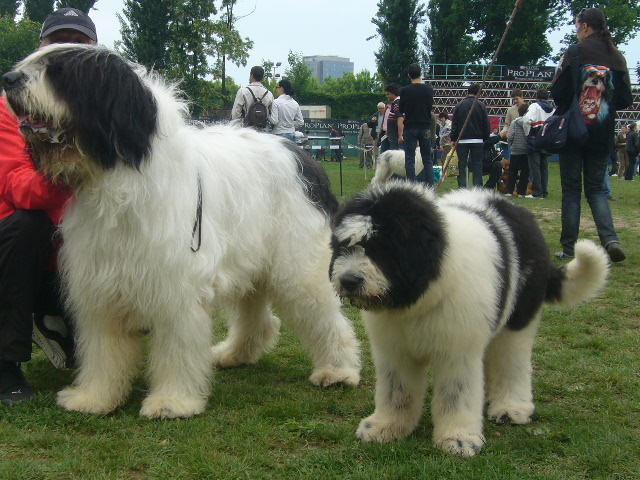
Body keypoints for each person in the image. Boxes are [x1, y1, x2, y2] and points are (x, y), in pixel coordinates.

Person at [0, 7, 98, 405]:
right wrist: (77, 171)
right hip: (31, 247)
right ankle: (7, 363)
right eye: (58, 42)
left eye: (78, 43)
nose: (66, 50)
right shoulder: (9, 108)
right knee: (27, 225)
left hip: (82, 251)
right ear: (40, 49)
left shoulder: (104, 108)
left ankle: (61, 324)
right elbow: (19, 186)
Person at [551, 7, 632, 262]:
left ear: (585, 26)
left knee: (572, 190)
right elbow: (626, 99)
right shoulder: (617, 57)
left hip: (574, 131)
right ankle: (610, 240)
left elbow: (558, 91)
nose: (577, 30)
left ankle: (569, 247)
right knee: (597, 189)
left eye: (577, 25)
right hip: (602, 134)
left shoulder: (575, 52)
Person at [398, 63, 434, 185]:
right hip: (425, 127)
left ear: (409, 75)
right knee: (427, 159)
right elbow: (430, 106)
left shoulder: (404, 90)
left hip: (410, 127)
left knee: (410, 159)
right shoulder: (429, 89)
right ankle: (429, 186)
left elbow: (401, 109)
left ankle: (411, 187)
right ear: (421, 73)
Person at [450, 83, 490, 188]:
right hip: (477, 140)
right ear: (478, 93)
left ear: (468, 92)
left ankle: (462, 187)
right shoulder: (481, 105)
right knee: (477, 165)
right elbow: (486, 124)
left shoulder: (459, 105)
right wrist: (485, 138)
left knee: (462, 165)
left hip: (462, 140)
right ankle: (477, 188)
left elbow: (454, 124)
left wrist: (453, 138)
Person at [523, 89, 554, 198]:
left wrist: (527, 133)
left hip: (534, 138)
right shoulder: (552, 108)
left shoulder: (534, 106)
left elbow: (527, 119)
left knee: (535, 167)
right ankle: (544, 192)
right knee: (544, 167)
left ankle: (537, 192)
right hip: (546, 139)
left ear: (537, 97)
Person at [506, 103, 531, 196]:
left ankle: (509, 191)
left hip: (515, 150)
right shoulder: (529, 123)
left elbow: (509, 136)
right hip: (526, 150)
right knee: (525, 172)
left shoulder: (514, 122)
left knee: (512, 171)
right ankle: (521, 192)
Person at [382, 84, 401, 152]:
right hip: (392, 135)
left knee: (395, 155)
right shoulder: (395, 103)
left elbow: (400, 119)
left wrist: (400, 135)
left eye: (388, 94)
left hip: (396, 137)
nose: (387, 96)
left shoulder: (397, 103)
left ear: (393, 93)